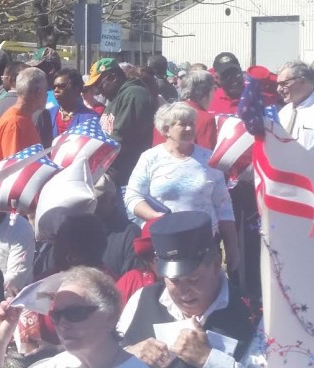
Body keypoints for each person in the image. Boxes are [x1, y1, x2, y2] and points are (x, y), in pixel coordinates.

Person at [119, 211, 264, 368]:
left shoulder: (253, 316)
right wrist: (129, 354)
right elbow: (106, 356)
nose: (184, 291)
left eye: (193, 279)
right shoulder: (142, 299)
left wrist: (209, 359)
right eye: (174, 281)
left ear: (215, 265)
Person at [125, 102, 239, 271]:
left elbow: (224, 207)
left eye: (191, 123)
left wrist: (232, 248)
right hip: (165, 243)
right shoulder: (150, 158)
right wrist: (155, 216)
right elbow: (133, 197)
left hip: (204, 244)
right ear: (166, 129)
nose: (188, 129)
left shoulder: (209, 159)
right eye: (182, 124)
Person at [0, 267, 148, 368]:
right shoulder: (57, 365)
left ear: (110, 317)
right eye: (56, 315)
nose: (62, 324)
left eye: (75, 313)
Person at [87, 58, 158, 187]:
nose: (98, 91)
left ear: (113, 77)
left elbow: (121, 139)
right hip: (114, 175)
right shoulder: (117, 97)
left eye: (99, 85)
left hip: (127, 179)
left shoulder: (134, 95)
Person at [0, 67, 47, 161]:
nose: (48, 95)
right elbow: (13, 167)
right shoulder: (14, 123)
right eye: (46, 90)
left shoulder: (23, 118)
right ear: (38, 93)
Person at [116, 219, 158, 306]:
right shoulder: (131, 280)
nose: (156, 259)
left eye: (164, 254)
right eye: (152, 253)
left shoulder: (191, 279)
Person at [48, 68, 100, 137]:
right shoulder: (47, 115)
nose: (56, 90)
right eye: (54, 87)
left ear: (76, 89)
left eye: (61, 86)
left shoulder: (91, 118)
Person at [176, 70, 218, 149]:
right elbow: (206, 155)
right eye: (214, 89)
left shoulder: (167, 112)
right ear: (208, 92)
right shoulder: (206, 119)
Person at [278, 61, 314, 150]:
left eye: (284, 84)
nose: (278, 89)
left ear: (302, 81)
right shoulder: (284, 112)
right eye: (278, 84)